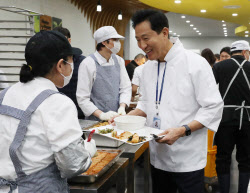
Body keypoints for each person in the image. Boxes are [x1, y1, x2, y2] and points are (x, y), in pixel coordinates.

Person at [127, 9, 223, 193]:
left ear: (164, 32)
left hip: (188, 158)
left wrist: (182, 130)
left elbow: (213, 107)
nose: (141, 45)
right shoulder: (147, 68)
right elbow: (145, 104)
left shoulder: (195, 63)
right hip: (158, 156)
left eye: (146, 38)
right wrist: (126, 119)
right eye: (138, 39)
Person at [0, 31, 96, 193]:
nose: (72, 66)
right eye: (71, 61)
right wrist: (88, 150)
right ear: (60, 65)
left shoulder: (5, 94)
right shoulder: (58, 103)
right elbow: (73, 165)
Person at [213, 40, 250, 193]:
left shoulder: (219, 66)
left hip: (225, 118)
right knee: (246, 160)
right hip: (248, 119)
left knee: (223, 158)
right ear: (244, 52)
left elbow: (209, 91)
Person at [77, 26, 132, 121]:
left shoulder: (119, 61)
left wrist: (122, 107)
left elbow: (125, 87)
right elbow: (82, 98)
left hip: (116, 119)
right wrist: (102, 115)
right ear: (104, 42)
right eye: (115, 40)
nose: (118, 43)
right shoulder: (88, 63)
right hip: (94, 120)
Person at [53, 26, 86, 119]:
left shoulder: (82, 61)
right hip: (57, 111)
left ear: (69, 40)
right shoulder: (50, 61)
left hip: (80, 112)